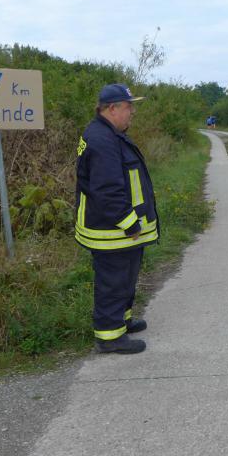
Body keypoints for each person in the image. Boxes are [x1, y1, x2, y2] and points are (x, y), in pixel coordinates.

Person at [75, 83, 159, 354]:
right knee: (113, 281)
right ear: (112, 108)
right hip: (111, 230)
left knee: (125, 277)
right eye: (128, 107)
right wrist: (129, 222)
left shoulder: (108, 134)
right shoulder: (102, 140)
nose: (132, 112)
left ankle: (122, 321)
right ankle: (110, 337)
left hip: (118, 230)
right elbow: (107, 189)